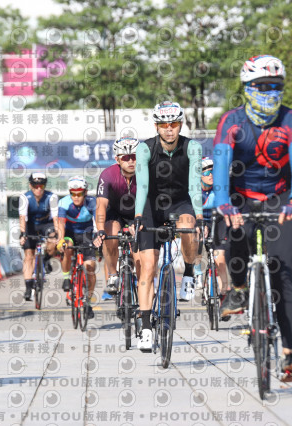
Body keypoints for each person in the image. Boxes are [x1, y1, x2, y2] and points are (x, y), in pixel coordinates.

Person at [213, 55, 292, 382]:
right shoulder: (232, 121)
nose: (270, 93)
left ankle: (289, 353)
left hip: (280, 198)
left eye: (276, 86)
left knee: (282, 274)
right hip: (240, 195)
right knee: (234, 239)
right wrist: (224, 203)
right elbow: (221, 163)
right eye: (262, 86)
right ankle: (239, 288)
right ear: (247, 88)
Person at [134, 101, 203, 351]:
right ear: (156, 126)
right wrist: (138, 216)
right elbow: (142, 185)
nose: (169, 129)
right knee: (148, 267)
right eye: (163, 125)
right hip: (152, 205)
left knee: (189, 226)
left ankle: (189, 272)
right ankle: (145, 327)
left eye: (173, 123)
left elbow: (195, 185)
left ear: (180, 124)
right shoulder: (145, 149)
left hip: (181, 202)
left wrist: (200, 216)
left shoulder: (192, 147)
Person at [93, 137, 140, 296]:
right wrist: (100, 230)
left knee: (139, 249)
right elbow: (101, 205)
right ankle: (113, 275)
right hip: (115, 212)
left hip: (137, 212)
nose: (131, 161)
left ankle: (142, 280)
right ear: (117, 159)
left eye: (134, 156)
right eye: (126, 157)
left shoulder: (145, 173)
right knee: (110, 232)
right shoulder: (107, 175)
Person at [58, 175, 97, 319]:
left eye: (79, 194)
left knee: (90, 267)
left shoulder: (92, 202)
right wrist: (60, 240)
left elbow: (98, 221)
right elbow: (61, 223)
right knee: (67, 247)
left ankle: (88, 302)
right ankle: (66, 277)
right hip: (70, 233)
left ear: (85, 193)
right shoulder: (64, 202)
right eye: (72, 194)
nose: (76, 197)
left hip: (87, 233)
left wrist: (98, 236)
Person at [19, 172, 60, 301]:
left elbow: (56, 217)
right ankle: (28, 287)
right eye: (35, 186)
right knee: (28, 256)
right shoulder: (25, 197)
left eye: (41, 186)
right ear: (30, 186)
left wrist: (57, 234)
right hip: (30, 225)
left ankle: (46, 258)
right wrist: (23, 234)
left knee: (53, 241)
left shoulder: (51, 197)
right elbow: (22, 217)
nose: (38, 189)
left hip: (46, 224)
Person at [200, 157, 230, 300]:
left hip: (218, 220)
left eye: (212, 171)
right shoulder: (194, 190)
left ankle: (225, 293)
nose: (210, 175)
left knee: (220, 258)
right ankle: (196, 275)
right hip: (201, 220)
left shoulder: (219, 187)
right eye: (206, 172)